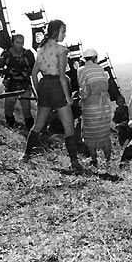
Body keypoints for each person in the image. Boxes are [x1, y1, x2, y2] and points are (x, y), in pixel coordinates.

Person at [22, 20, 82, 172]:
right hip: (57, 87)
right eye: (63, 31)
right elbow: (62, 77)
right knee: (69, 127)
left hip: (44, 86)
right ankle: (74, 161)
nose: (65, 34)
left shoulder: (40, 49)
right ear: (56, 31)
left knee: (38, 125)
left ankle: (26, 155)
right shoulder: (61, 50)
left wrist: (38, 93)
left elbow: (33, 75)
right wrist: (68, 97)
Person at [77, 48, 112, 167]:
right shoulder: (101, 69)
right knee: (104, 133)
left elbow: (84, 90)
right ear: (95, 58)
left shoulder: (82, 70)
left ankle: (94, 160)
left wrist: (81, 100)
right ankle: (108, 161)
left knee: (90, 132)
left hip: (91, 104)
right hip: (105, 104)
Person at [0, 34, 35, 129]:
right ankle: (11, 129)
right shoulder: (6, 53)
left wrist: (26, 72)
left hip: (24, 83)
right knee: (8, 109)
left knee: (27, 109)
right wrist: (8, 71)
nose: (20, 45)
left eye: (22, 43)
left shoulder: (28, 54)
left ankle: (31, 131)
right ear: (13, 42)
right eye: (17, 42)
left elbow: (34, 68)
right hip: (10, 83)